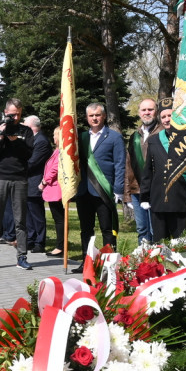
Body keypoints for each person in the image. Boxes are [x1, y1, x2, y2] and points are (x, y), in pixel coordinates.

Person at [0, 98, 35, 270]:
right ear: (5, 113)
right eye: (12, 115)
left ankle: (21, 256)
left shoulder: (26, 131)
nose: (15, 118)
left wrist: (14, 139)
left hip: (19, 178)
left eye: (18, 115)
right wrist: (0, 137)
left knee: (20, 220)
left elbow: (27, 154)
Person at [74, 102, 125, 272]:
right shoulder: (81, 137)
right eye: (91, 115)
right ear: (87, 118)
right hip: (83, 190)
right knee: (85, 229)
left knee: (107, 229)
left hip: (104, 190)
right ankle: (86, 262)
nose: (94, 118)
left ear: (103, 116)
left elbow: (120, 164)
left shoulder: (114, 137)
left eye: (97, 115)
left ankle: (109, 262)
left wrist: (118, 189)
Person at [139, 99, 186, 240]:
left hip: (182, 199)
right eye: (163, 117)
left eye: (171, 116)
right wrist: (144, 196)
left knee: (183, 244)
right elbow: (148, 170)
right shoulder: (154, 140)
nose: (167, 120)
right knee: (159, 244)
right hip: (159, 199)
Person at [127, 98, 160, 244]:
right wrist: (127, 193)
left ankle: (157, 263)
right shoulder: (134, 136)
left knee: (155, 229)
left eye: (150, 109)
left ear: (156, 111)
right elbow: (128, 166)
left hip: (156, 189)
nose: (147, 113)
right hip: (137, 190)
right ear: (139, 112)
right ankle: (143, 263)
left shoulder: (163, 132)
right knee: (142, 229)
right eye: (144, 110)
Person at [24, 115, 51, 254]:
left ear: (31, 126)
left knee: (37, 214)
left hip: (35, 181)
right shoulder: (32, 139)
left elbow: (33, 162)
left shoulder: (41, 141)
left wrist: (17, 167)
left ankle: (39, 242)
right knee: (28, 213)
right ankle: (31, 239)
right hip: (27, 182)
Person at [39, 126, 65, 256]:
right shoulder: (56, 151)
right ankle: (60, 245)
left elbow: (55, 169)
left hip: (55, 188)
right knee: (58, 218)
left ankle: (60, 246)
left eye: (55, 135)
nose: (53, 137)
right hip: (52, 188)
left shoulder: (61, 152)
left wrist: (44, 181)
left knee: (59, 219)